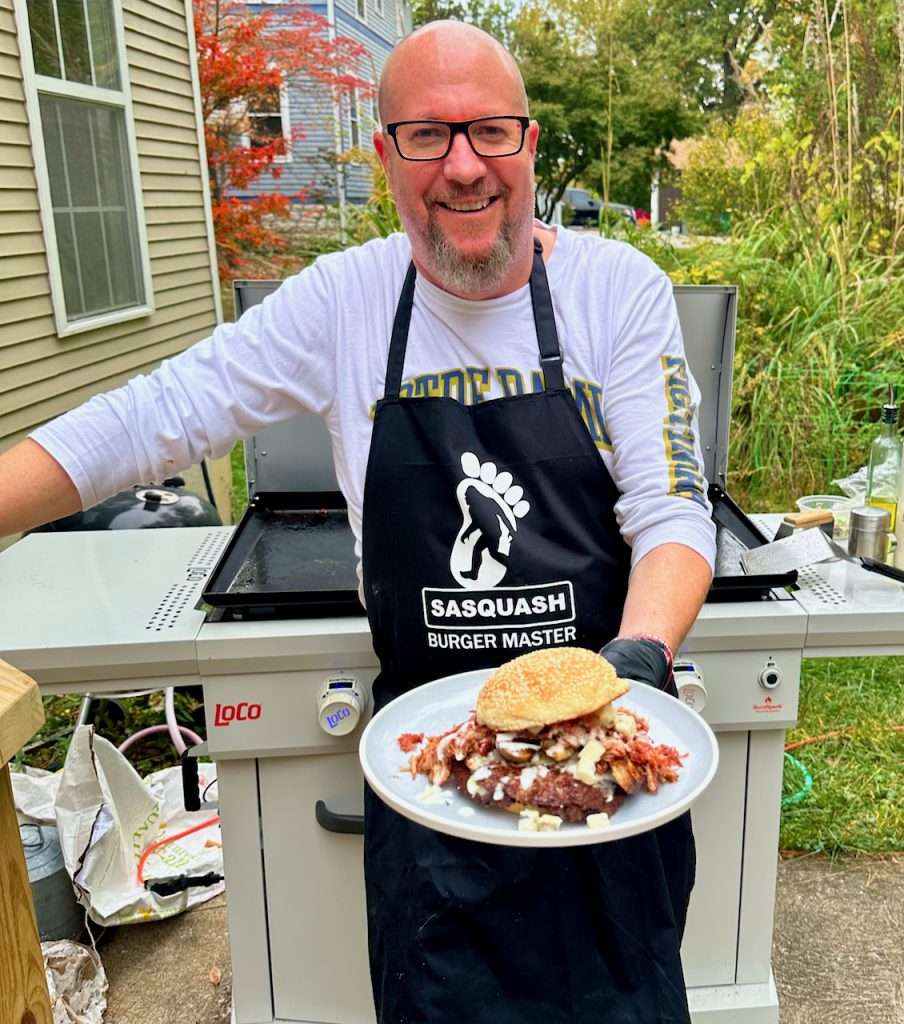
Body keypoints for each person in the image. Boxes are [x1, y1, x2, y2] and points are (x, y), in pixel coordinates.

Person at [0, 20, 715, 1023]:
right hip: (434, 787)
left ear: (530, 144)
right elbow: (152, 417)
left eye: (489, 133)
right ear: (385, 157)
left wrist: (638, 654)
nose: (464, 166)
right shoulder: (344, 302)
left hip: (605, 784)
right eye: (427, 136)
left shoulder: (616, 291)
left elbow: (674, 506)